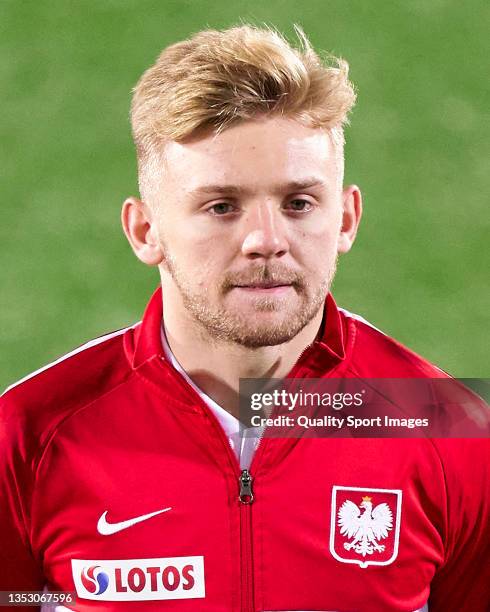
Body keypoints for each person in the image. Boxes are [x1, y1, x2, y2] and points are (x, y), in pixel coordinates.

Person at [0, 24, 488, 612]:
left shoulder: (448, 427)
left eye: (299, 203)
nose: (266, 240)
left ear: (346, 219)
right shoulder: (28, 436)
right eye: (222, 206)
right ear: (144, 230)